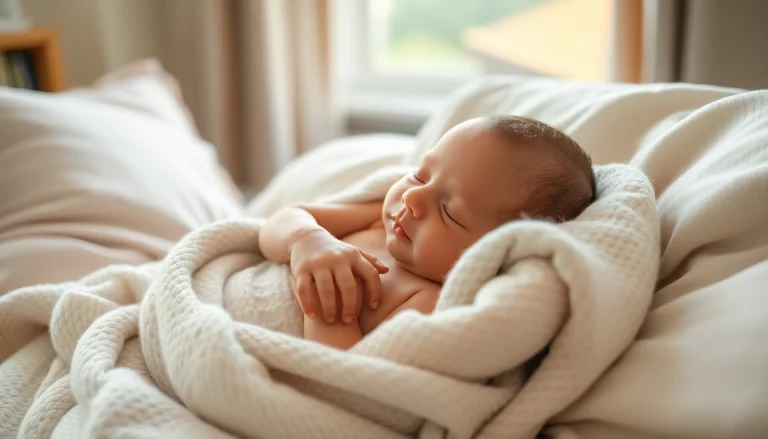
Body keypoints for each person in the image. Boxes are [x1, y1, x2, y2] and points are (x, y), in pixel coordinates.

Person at [259, 115, 595, 349]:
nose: (412, 197)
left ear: (492, 253)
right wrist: (305, 240)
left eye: (449, 211)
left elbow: (346, 381)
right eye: (420, 175)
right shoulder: (377, 221)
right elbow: (284, 218)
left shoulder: (427, 302)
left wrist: (329, 308)